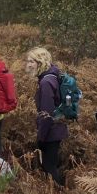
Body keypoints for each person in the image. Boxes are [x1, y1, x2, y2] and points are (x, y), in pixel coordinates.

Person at [25, 47, 68, 185]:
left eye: (32, 61)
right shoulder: (50, 78)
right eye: (28, 61)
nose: (29, 65)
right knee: (51, 165)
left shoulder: (46, 82)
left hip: (51, 131)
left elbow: (46, 114)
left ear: (41, 62)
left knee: (49, 167)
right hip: (55, 129)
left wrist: (41, 138)